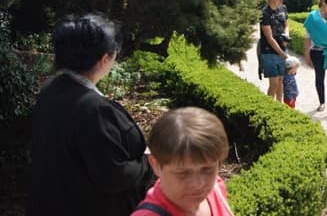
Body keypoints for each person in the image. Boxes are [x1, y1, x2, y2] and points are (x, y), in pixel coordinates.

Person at [27, 14, 152, 216]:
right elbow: (114, 176)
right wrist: (148, 162)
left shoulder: (51, 91)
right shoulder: (94, 110)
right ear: (104, 59)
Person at [131, 107, 234, 216]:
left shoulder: (216, 188)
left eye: (207, 169)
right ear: (155, 165)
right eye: (183, 173)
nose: (197, 184)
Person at [261, 0, 290, 102]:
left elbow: (286, 25)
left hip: (282, 49)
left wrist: (286, 36)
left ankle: (279, 104)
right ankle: (269, 106)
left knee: (280, 81)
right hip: (269, 52)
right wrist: (283, 54)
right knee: (273, 83)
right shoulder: (265, 13)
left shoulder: (283, 8)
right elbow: (269, 38)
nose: (282, 1)